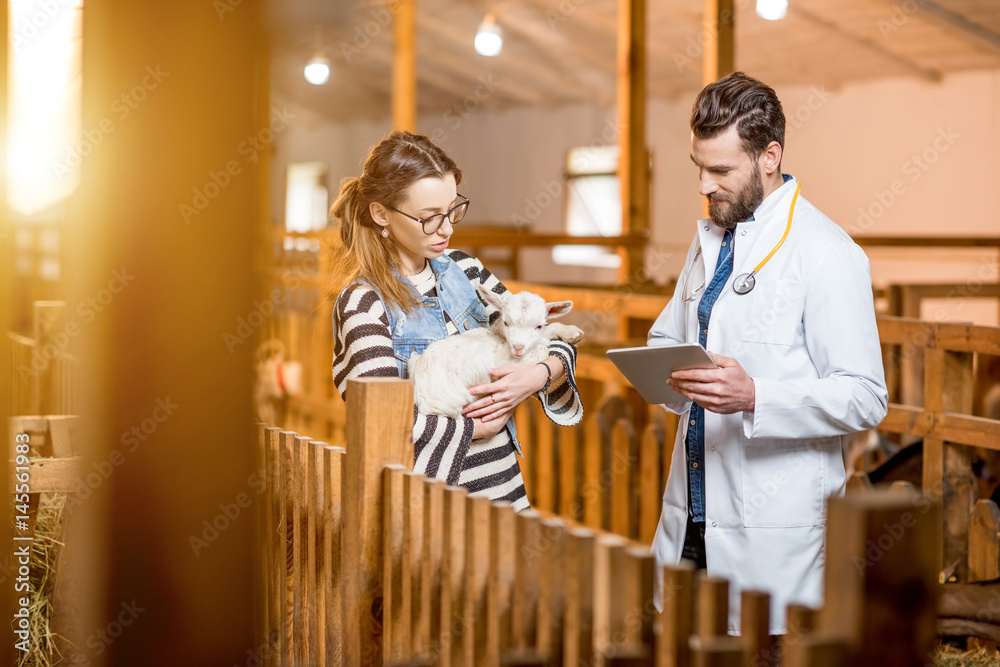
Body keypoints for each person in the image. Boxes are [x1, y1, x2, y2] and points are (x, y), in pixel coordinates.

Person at [648, 72, 888, 634]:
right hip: (692, 522)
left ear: (769, 156)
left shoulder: (827, 252)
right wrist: (665, 368)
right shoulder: (711, 238)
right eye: (698, 167)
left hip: (772, 533)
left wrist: (757, 395)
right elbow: (668, 338)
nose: (704, 185)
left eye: (721, 170)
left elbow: (865, 396)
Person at [330, 130, 583, 510]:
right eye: (430, 218)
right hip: (432, 505)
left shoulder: (467, 271)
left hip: (504, 486)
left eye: (452, 210)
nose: (447, 228)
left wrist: (538, 375)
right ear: (381, 213)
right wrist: (477, 427)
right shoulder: (364, 304)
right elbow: (379, 424)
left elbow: (545, 336)